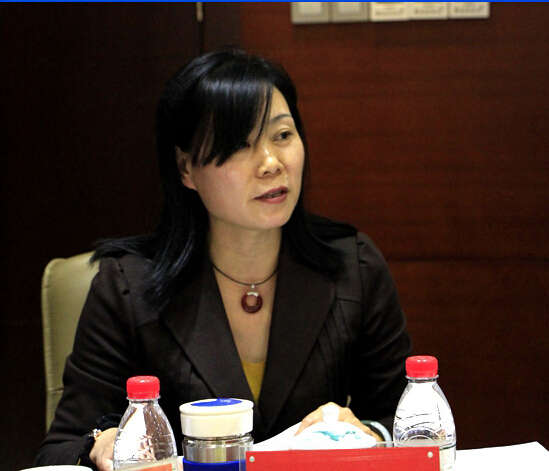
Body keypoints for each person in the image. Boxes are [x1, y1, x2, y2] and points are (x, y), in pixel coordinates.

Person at [35, 48, 412, 471]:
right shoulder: (127, 286)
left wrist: (369, 433)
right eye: (239, 144)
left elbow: (403, 421)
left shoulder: (353, 267)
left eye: (282, 135)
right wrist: (101, 443)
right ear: (186, 169)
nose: (271, 163)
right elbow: (61, 448)